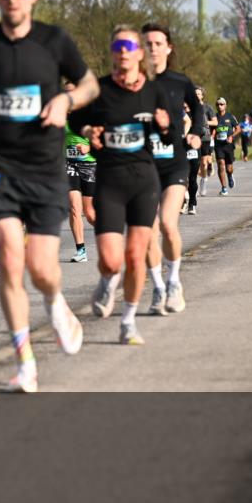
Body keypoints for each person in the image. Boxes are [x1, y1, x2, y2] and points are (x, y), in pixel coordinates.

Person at [0, 0, 96, 392]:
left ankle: (56, 303)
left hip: (46, 169)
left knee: (40, 270)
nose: (12, 1)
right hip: (0, 167)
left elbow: (90, 84)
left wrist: (66, 100)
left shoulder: (54, 41)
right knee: (11, 261)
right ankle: (25, 362)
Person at [70, 26, 172, 346]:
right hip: (110, 181)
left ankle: (128, 321)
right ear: (113, 52)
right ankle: (105, 279)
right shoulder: (98, 89)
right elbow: (75, 120)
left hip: (144, 180)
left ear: (140, 53)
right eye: (117, 46)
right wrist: (88, 129)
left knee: (135, 253)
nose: (123, 51)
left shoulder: (154, 92)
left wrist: (167, 127)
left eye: (129, 45)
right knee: (112, 260)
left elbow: (169, 137)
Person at [139, 23, 203, 315]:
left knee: (167, 222)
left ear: (168, 47)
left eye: (157, 43)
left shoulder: (180, 81)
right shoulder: (134, 81)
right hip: (143, 163)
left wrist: (197, 132)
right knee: (148, 230)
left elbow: (198, 109)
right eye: (147, 43)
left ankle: (174, 282)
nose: (152, 47)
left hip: (174, 160)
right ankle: (157, 287)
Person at [63, 81, 96, 263]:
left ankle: (110, 235)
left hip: (90, 165)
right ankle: (81, 250)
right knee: (75, 208)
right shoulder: (60, 115)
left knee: (90, 214)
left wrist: (88, 147)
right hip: (69, 164)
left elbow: (104, 139)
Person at [212, 97, 240, 195]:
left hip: (228, 145)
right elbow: (212, 130)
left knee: (229, 168)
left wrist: (232, 136)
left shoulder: (230, 116)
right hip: (218, 145)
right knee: (220, 164)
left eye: (221, 104)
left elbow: (238, 129)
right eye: (218, 104)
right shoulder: (214, 117)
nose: (219, 106)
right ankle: (224, 188)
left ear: (225, 105)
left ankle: (230, 175)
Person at [195, 87, 216, 196]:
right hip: (193, 138)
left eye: (199, 94)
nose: (196, 95)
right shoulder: (189, 107)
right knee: (193, 163)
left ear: (202, 96)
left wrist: (204, 121)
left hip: (205, 138)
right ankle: (193, 185)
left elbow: (215, 122)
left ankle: (203, 180)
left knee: (203, 163)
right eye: (195, 93)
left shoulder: (208, 108)